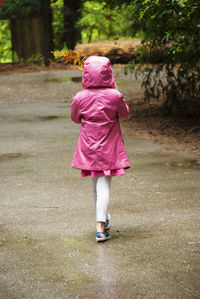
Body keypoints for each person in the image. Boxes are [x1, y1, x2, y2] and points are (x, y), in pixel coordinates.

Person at [71, 56, 130, 242]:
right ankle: (100, 227)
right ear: (108, 73)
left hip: (88, 145)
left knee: (96, 183)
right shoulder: (114, 96)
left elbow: (75, 117)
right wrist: (118, 94)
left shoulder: (80, 97)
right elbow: (125, 114)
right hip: (108, 146)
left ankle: (103, 219)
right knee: (104, 184)